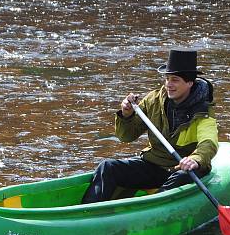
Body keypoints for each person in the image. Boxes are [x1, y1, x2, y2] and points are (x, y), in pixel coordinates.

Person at [81, 48, 218, 204]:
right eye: (167, 79)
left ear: (189, 82)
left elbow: (209, 142)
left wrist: (196, 159)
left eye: (175, 80)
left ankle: (150, 207)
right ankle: (86, 210)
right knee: (108, 167)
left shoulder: (203, 111)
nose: (169, 85)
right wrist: (127, 115)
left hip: (184, 169)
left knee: (182, 176)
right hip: (154, 165)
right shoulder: (153, 100)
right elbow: (126, 136)